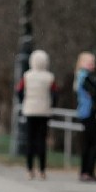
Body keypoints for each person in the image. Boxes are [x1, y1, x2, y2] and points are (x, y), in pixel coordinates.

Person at [16, 50, 58, 180]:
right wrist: (51, 105)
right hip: (44, 111)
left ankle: (29, 169)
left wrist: (24, 101)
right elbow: (55, 93)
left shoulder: (27, 76)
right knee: (41, 140)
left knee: (30, 140)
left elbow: (19, 91)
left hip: (30, 110)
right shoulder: (49, 77)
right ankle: (42, 170)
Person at [74, 51, 96, 182]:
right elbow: (94, 92)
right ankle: (87, 171)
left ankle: (86, 171)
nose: (93, 65)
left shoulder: (84, 76)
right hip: (87, 113)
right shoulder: (84, 77)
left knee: (89, 143)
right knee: (95, 142)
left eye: (93, 63)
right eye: (90, 62)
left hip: (87, 113)